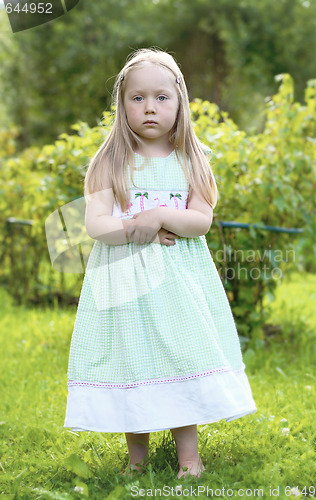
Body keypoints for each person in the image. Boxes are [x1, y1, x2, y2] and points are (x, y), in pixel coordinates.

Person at [64, 47, 257, 479]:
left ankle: (188, 456)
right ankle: (137, 459)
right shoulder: (109, 163)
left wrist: (158, 216)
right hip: (125, 285)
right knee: (132, 359)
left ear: (179, 102)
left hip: (177, 288)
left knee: (178, 358)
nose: (149, 107)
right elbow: (96, 225)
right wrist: (138, 229)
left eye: (161, 97)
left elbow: (201, 220)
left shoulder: (192, 160)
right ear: (122, 104)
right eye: (138, 98)